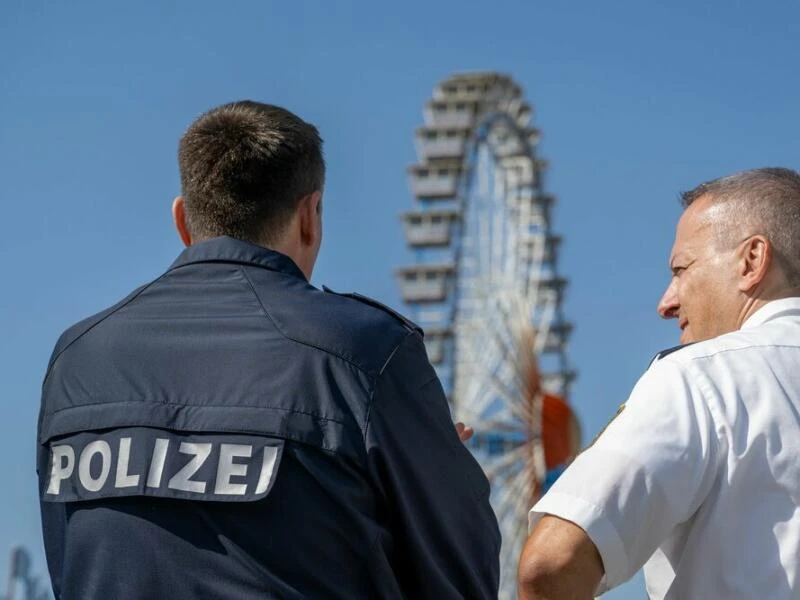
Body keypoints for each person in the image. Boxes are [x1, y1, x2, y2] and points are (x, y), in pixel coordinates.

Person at [37, 100, 500, 599]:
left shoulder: (77, 361)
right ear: (310, 216)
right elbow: (461, 579)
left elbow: (71, 570)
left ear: (182, 221)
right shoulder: (365, 355)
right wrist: (432, 474)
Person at [518, 167, 800, 599]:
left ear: (752, 260)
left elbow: (552, 562)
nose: (666, 304)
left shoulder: (705, 378)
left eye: (681, 270)